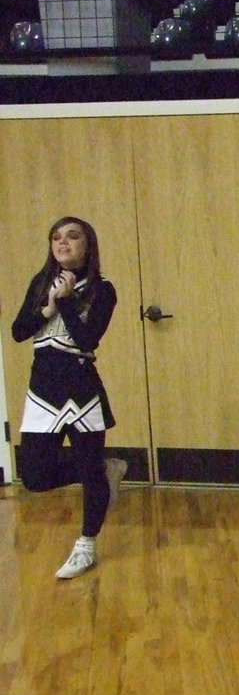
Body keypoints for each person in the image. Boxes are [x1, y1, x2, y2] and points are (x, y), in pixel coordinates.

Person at [11, 216, 126, 579]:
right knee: (34, 476)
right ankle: (107, 470)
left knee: (89, 473)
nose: (62, 243)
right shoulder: (40, 282)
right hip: (42, 389)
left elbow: (88, 339)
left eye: (72, 237)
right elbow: (18, 332)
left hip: (81, 388)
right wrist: (46, 306)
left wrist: (64, 303)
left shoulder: (103, 289)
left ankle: (86, 545)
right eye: (56, 238)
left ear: (87, 245)